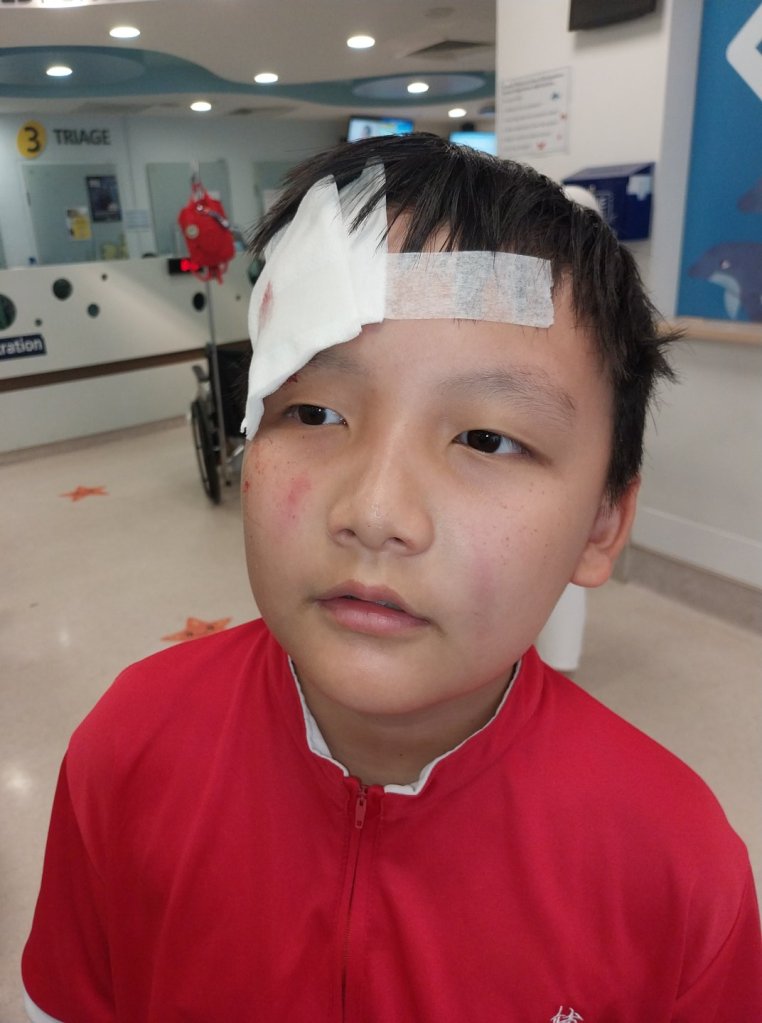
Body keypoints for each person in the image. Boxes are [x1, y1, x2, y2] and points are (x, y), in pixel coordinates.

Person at [22, 134, 762, 1022]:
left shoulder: (676, 873)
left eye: (486, 438)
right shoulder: (127, 751)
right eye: (313, 412)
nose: (375, 511)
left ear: (602, 522)